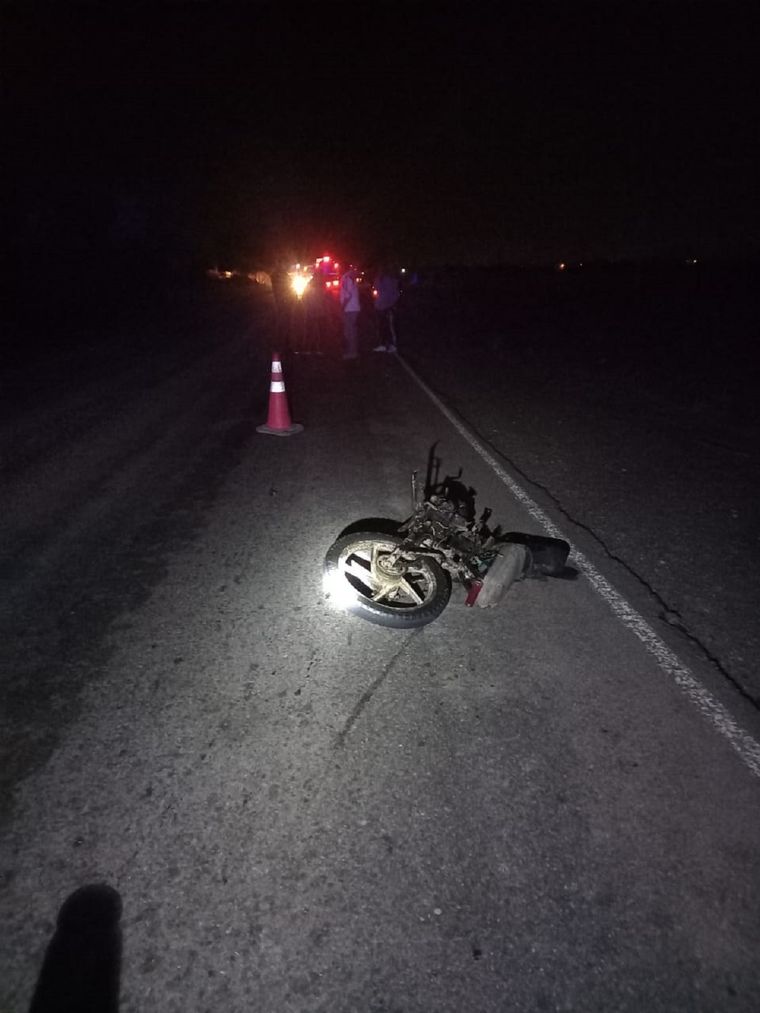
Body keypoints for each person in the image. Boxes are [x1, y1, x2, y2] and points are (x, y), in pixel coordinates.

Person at [373, 266, 401, 352]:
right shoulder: (382, 279)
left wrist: (391, 305)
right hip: (381, 306)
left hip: (387, 306)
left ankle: (392, 345)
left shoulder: (388, 280)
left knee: (389, 326)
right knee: (382, 326)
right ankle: (383, 344)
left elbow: (394, 294)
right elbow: (376, 288)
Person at [339, 265, 361, 360]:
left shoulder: (346, 278)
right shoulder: (351, 278)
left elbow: (348, 295)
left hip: (349, 308)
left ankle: (352, 352)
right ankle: (352, 350)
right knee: (350, 330)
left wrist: (342, 308)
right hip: (353, 307)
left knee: (349, 331)